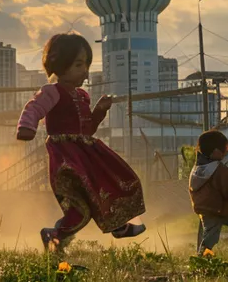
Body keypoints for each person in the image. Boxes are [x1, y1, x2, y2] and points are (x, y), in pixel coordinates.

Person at [17, 33, 146, 253]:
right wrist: (26, 127)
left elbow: (87, 130)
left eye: (86, 64)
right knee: (82, 205)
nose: (84, 71)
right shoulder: (52, 92)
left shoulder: (83, 96)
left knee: (112, 183)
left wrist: (99, 110)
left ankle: (112, 226)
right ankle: (60, 235)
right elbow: (34, 108)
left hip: (87, 155)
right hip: (67, 158)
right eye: (78, 64)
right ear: (59, 65)